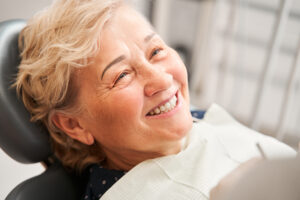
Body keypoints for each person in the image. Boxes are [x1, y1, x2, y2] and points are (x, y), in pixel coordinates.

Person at [14, 0, 296, 199]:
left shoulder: (201, 122)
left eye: (156, 51)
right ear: (74, 125)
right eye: (122, 75)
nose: (162, 80)